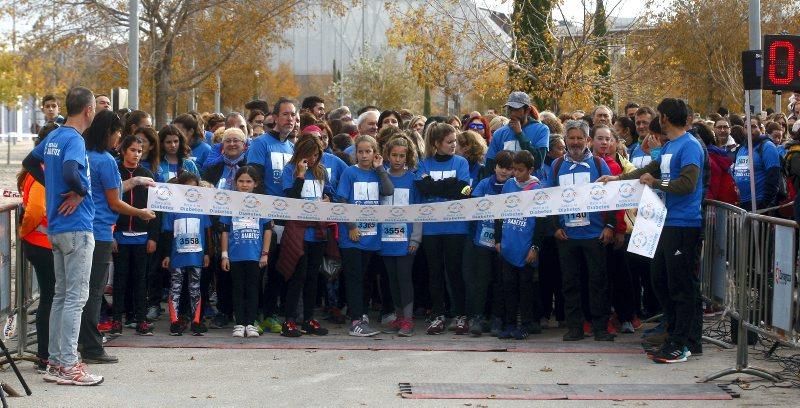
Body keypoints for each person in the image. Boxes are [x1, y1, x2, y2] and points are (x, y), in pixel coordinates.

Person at [601, 98, 705, 363]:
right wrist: (618, 178)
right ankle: (678, 334)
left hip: (684, 224)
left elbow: (688, 183)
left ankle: (682, 342)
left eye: (660, 114)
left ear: (666, 117)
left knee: (681, 285)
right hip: (666, 223)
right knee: (660, 279)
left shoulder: (690, 146)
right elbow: (648, 169)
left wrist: (658, 182)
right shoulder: (670, 145)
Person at [23, 86, 103, 385]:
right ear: (88, 110)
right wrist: (79, 190)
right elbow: (71, 170)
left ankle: (56, 362)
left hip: (57, 228)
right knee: (75, 298)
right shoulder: (73, 139)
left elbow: (30, 162)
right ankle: (69, 365)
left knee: (59, 297)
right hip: (77, 227)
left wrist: (54, 184)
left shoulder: (54, 135)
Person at [79, 110, 156, 364]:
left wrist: (133, 183)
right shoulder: (106, 160)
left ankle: (76, 342)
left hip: (80, 227)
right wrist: (141, 213)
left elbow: (107, 189)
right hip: (101, 231)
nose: (119, 137)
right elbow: (114, 202)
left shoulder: (83, 154)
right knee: (93, 290)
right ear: (109, 133)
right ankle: (91, 347)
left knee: (75, 292)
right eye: (118, 133)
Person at [547, 120, 616, 342]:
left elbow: (611, 196)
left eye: (579, 138)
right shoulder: (557, 165)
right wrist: (555, 227)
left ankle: (600, 328)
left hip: (594, 234)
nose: (575, 142)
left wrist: (610, 226)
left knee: (598, 282)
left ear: (587, 140)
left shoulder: (598, 164)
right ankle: (575, 327)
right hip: (567, 236)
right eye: (571, 138)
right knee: (570, 283)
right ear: (565, 140)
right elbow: (549, 198)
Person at [415, 123, 471, 335]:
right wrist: (449, 185)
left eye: (455, 141)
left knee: (455, 272)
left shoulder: (461, 162)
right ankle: (438, 314)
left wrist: (436, 186)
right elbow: (423, 187)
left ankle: (460, 314)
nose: (453, 145)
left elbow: (462, 190)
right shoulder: (423, 163)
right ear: (436, 143)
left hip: (456, 227)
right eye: (449, 142)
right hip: (432, 229)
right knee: (435, 272)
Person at [337, 135, 394, 337]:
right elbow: (342, 199)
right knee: (354, 279)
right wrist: (351, 226)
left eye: (367, 151)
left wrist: (380, 169)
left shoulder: (379, 173)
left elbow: (388, 191)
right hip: (351, 236)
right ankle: (355, 320)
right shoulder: (349, 172)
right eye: (360, 151)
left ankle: (362, 316)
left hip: (372, 237)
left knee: (366, 279)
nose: (363, 155)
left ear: (374, 152)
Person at [277, 135, 334, 337]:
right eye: (309, 154)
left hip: (317, 232)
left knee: (312, 278)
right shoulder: (289, 170)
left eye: (316, 155)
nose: (312, 159)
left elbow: (329, 194)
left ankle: (309, 318)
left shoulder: (320, 172)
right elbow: (290, 199)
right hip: (298, 232)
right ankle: (290, 320)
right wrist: (300, 176)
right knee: (296, 277)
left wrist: (328, 200)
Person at [111, 135, 160, 337]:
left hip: (141, 236)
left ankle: (141, 319)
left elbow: (156, 209)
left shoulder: (147, 174)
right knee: (120, 280)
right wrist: (110, 233)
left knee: (141, 280)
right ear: (123, 151)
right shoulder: (115, 172)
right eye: (132, 150)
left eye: (139, 151)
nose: (136, 154)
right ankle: (116, 320)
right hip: (120, 235)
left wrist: (153, 237)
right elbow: (109, 204)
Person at [18, 124, 58, 373]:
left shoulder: (40, 170)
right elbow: (35, 210)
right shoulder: (41, 173)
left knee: (49, 297)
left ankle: (47, 353)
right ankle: (45, 354)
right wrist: (24, 231)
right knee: (49, 298)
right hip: (40, 244)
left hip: (41, 243)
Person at [463, 150, 514, 336]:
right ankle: (477, 317)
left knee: (499, 281)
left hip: (504, 243)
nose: (504, 171)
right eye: (501, 166)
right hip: (482, 241)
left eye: (509, 168)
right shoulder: (484, 184)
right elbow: (473, 208)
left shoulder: (513, 187)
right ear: (495, 167)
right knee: (481, 280)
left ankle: (497, 318)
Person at [220, 167, 274, 338]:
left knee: (253, 289)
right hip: (235, 256)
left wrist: (265, 253)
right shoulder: (230, 203)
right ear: (235, 183)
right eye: (241, 181)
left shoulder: (261, 203)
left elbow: (267, 230)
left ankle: (250, 323)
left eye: (248, 181)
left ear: (255, 184)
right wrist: (224, 254)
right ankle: (238, 323)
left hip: (255, 255)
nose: (244, 185)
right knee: (237, 289)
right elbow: (225, 230)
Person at [494, 150, 543, 339]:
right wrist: (498, 239)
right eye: (514, 169)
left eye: (520, 170)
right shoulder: (508, 185)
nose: (516, 173)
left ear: (530, 169)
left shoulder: (538, 189)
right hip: (508, 246)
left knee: (525, 288)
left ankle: (525, 324)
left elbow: (541, 222)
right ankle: (509, 323)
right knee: (508, 287)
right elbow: (499, 213)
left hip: (526, 248)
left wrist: (535, 247)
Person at [379, 135, 421, 337]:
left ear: (408, 156)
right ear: (387, 155)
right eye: (394, 155)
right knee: (392, 279)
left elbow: (418, 210)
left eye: (402, 156)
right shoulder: (381, 176)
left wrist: (416, 238)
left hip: (406, 239)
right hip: (386, 238)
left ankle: (408, 320)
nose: (397, 159)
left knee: (404, 278)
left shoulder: (413, 179)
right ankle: (398, 316)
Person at [161, 172, 212, 336]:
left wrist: (207, 254)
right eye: (186, 188)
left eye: (194, 188)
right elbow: (167, 233)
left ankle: (196, 321)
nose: (190, 191)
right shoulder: (173, 208)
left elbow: (207, 232)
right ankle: (175, 322)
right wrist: (167, 255)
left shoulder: (202, 209)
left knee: (195, 289)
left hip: (197, 256)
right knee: (175, 288)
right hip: (177, 256)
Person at [486, 91, 549, 173]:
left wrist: (520, 134)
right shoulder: (499, 133)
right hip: (505, 185)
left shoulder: (542, 130)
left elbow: (538, 162)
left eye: (516, 109)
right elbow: (490, 166)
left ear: (527, 110)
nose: (512, 113)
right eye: (510, 109)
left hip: (531, 184)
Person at [732, 116, 781, 211]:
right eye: (746, 127)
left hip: (759, 203)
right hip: (742, 203)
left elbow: (773, 177)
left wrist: (765, 203)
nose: (750, 130)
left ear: (761, 128)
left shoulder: (767, 147)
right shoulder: (741, 149)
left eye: (753, 126)